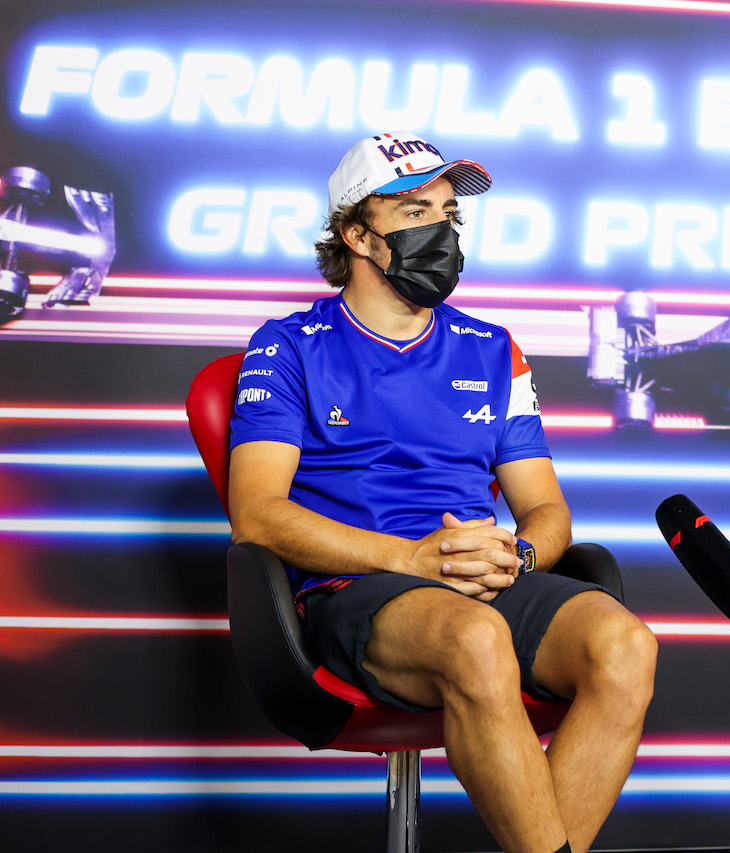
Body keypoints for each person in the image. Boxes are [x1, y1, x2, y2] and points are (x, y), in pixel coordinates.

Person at [227, 131, 658, 853]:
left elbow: (546, 510)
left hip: (477, 578)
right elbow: (258, 515)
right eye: (416, 211)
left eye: (449, 213)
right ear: (357, 234)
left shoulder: (493, 348)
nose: (443, 230)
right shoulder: (288, 344)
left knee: (625, 644)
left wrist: (514, 559)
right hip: (355, 589)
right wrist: (414, 559)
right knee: (477, 640)